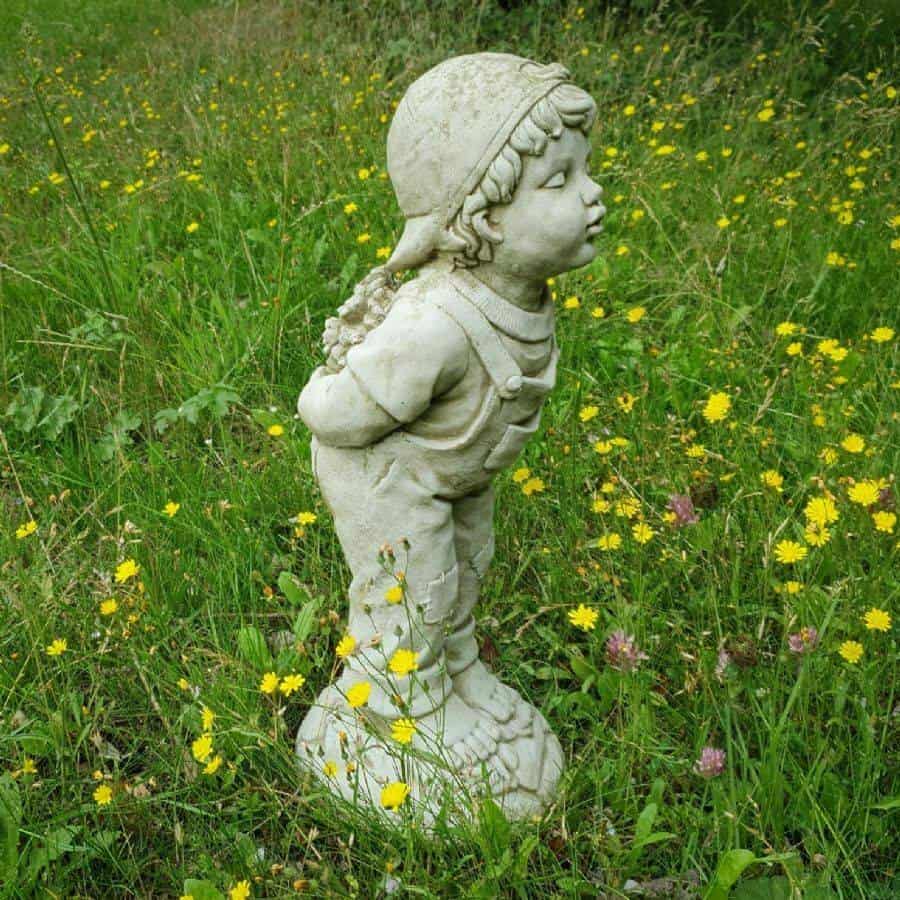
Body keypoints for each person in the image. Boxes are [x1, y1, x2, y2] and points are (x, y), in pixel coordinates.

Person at [295, 52, 605, 827]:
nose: (593, 193)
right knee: (414, 587)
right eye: (560, 180)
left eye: (585, 170)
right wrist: (330, 383)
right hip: (386, 477)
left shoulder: (517, 297)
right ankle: (405, 703)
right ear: (484, 218)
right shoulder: (434, 325)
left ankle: (458, 668)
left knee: (468, 566)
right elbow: (334, 414)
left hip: (452, 475)